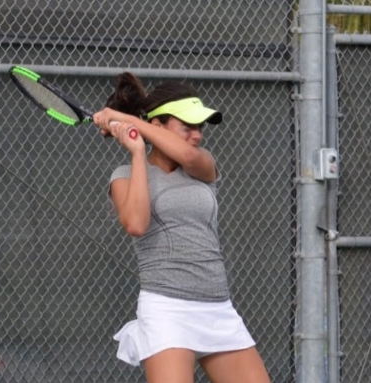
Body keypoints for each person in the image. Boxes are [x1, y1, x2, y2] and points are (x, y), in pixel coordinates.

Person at [92, 73, 271, 383]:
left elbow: (187, 154)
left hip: (218, 308)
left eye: (200, 127)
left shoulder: (202, 165)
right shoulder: (124, 176)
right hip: (167, 310)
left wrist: (122, 119)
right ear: (157, 125)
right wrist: (136, 153)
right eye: (187, 126)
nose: (197, 135)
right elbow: (136, 224)